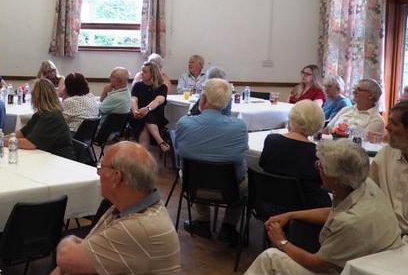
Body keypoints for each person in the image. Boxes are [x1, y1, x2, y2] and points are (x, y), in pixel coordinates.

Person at [204, 139, 402, 275]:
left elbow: (317, 264)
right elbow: (333, 212)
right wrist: (292, 214)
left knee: (270, 258)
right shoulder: (362, 185)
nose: (317, 168)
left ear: (336, 179)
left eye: (321, 166)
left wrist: (281, 242)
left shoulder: (353, 221)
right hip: (361, 270)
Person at [28, 142, 180, 275]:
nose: (98, 174)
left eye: (101, 168)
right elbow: (66, 266)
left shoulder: (141, 228)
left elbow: (65, 258)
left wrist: (69, 240)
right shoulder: (123, 210)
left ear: (116, 177)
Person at [176, 78, 249, 244]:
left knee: (197, 165)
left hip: (192, 184)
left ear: (203, 99)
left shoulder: (184, 123)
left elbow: (180, 151)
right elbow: (241, 156)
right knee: (246, 179)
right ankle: (229, 226)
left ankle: (203, 221)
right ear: (227, 103)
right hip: (230, 188)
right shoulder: (239, 126)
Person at [259, 101, 331, 208]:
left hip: (268, 201)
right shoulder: (316, 152)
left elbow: (262, 164)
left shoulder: (271, 140)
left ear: (292, 118)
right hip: (303, 208)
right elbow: (323, 182)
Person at [370, 100, 408, 234]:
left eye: (394, 123)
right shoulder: (386, 154)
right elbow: (368, 192)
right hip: (381, 231)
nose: (387, 127)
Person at [16, 79, 74, 159]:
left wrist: (4, 141)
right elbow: (22, 133)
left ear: (37, 96)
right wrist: (1, 137)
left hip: (60, 159)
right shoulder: (40, 114)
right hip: (48, 156)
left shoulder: (52, 116)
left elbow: (30, 144)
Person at [130, 61, 170, 153]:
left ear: (153, 73)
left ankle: (142, 156)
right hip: (138, 115)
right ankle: (161, 142)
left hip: (156, 117)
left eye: (145, 71)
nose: (141, 73)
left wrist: (147, 109)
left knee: (146, 119)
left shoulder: (162, 87)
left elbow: (158, 100)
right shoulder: (137, 85)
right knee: (144, 118)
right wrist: (135, 111)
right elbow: (133, 100)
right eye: (141, 71)